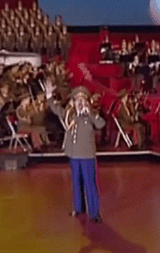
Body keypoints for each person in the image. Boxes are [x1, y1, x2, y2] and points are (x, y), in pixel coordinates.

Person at [43, 81, 105, 223]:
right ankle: (78, 208)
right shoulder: (69, 113)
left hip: (87, 154)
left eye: (82, 99)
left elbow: (101, 124)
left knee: (90, 183)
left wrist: (89, 115)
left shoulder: (91, 114)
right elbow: (55, 108)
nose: (80, 102)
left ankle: (94, 213)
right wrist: (49, 95)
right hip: (73, 153)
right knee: (76, 182)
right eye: (77, 99)